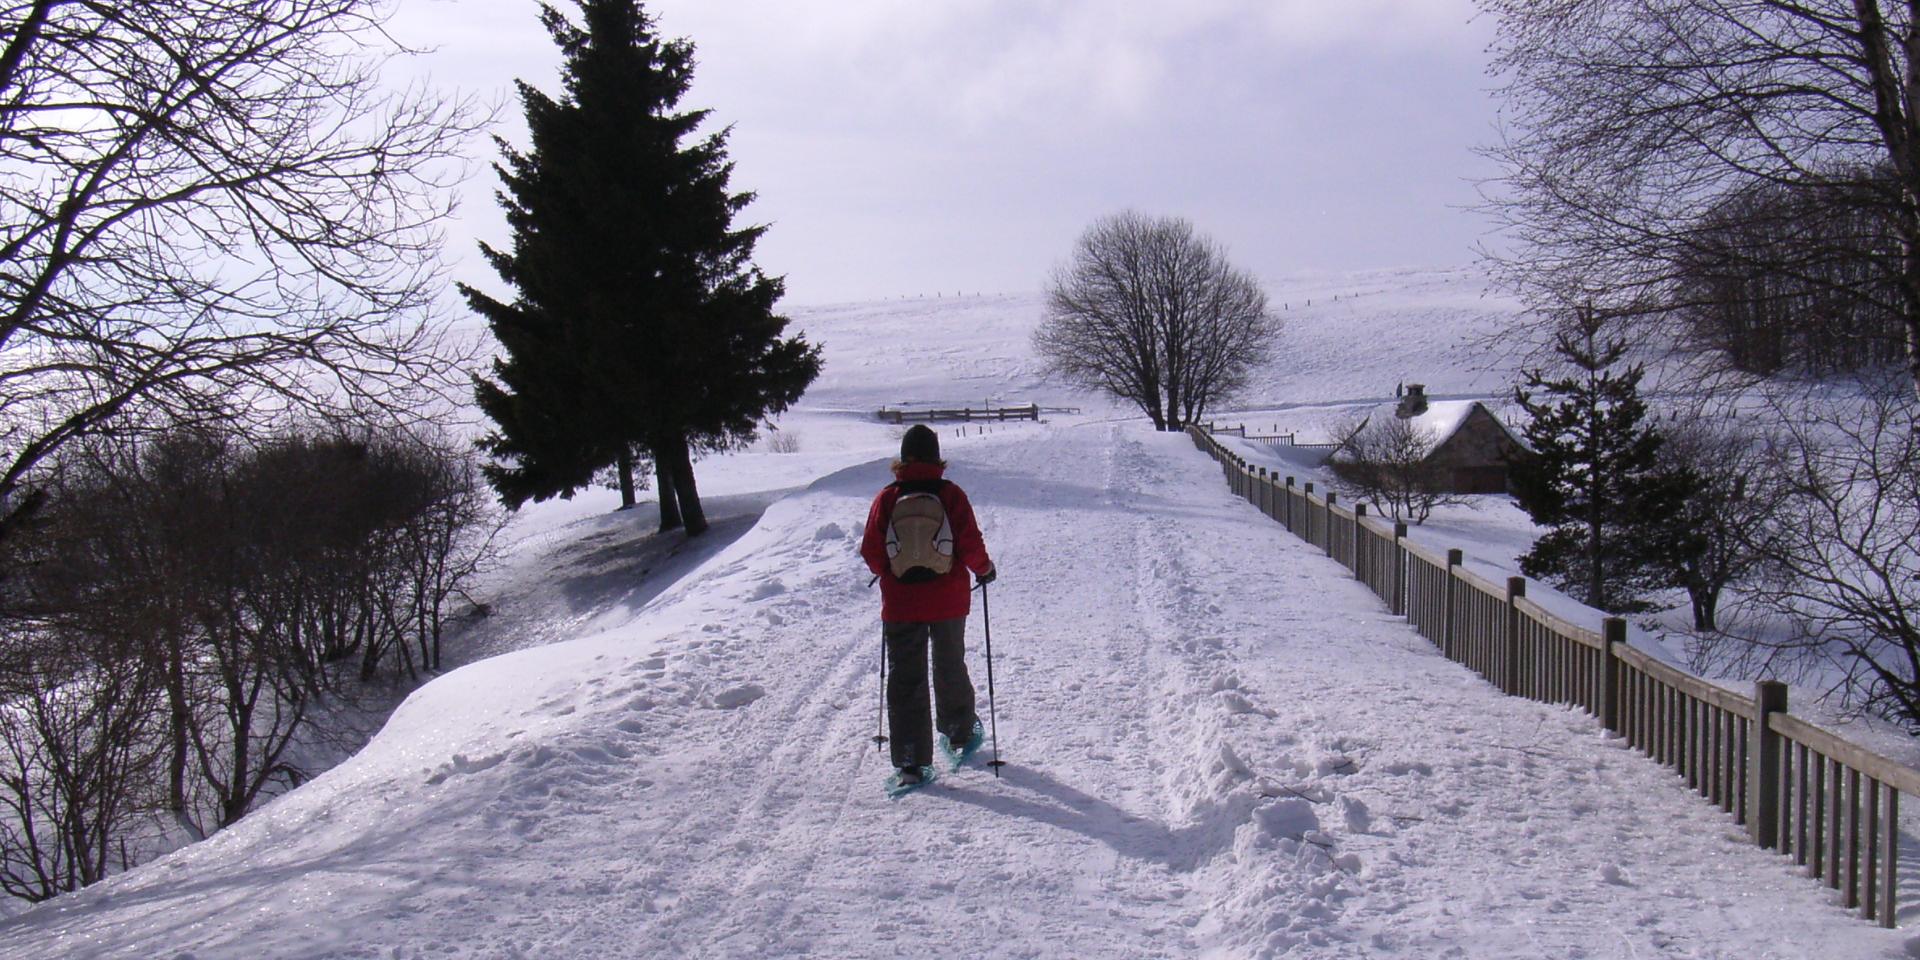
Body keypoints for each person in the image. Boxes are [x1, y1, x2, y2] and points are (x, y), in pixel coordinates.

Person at [860, 424, 996, 786]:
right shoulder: (950, 494)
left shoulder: (887, 498)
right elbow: (969, 542)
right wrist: (985, 569)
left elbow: (871, 552)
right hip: (949, 599)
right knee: (950, 664)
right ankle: (959, 733)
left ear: (902, 459)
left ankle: (910, 761)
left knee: (906, 678)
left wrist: (891, 574)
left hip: (901, 604)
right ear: (938, 458)